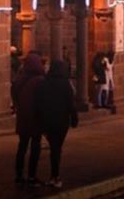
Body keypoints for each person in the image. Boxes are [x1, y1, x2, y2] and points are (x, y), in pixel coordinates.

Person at [35, 59, 78, 189]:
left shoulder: (44, 83)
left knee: (54, 147)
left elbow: (39, 102)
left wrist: (40, 119)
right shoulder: (65, 84)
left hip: (48, 120)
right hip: (61, 121)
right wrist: (74, 119)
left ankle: (54, 176)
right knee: (56, 148)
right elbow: (71, 103)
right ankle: (55, 176)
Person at [12, 51, 45, 186]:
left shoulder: (19, 80)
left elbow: (15, 96)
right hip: (35, 119)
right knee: (35, 148)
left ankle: (19, 175)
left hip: (23, 119)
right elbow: (42, 100)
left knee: (22, 147)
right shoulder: (40, 81)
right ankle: (32, 175)